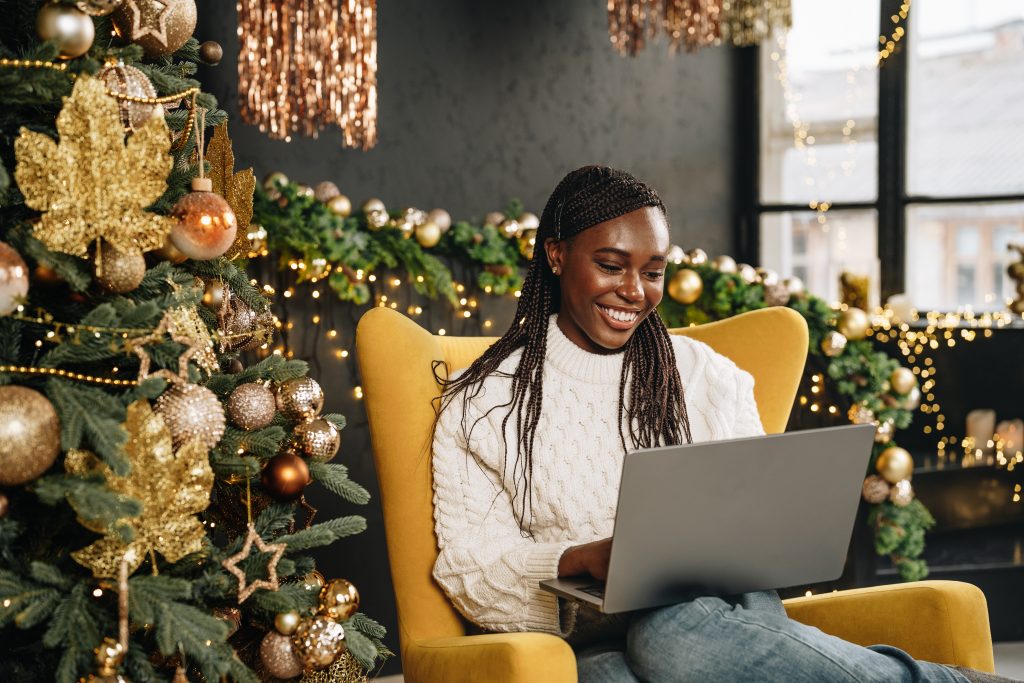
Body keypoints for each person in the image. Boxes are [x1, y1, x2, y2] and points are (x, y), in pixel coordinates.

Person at [430, 165, 1009, 682]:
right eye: (610, 266)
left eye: (652, 272)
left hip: (722, 613)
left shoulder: (706, 377)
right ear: (556, 256)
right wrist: (576, 560)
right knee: (610, 674)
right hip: (586, 638)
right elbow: (468, 570)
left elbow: (760, 523)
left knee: (667, 637)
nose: (633, 291)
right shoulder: (485, 403)